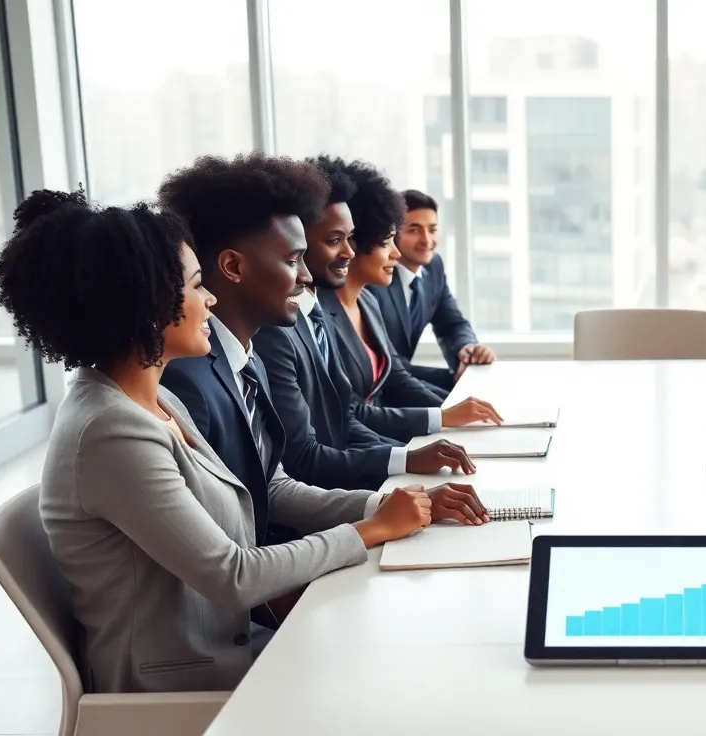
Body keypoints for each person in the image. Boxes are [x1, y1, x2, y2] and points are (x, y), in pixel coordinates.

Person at [0, 188, 435, 693]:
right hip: (182, 692)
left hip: (228, 651)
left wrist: (389, 505)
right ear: (147, 303)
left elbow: (268, 488)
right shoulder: (110, 431)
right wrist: (369, 530)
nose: (212, 299)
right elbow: (233, 576)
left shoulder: (154, 402)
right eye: (198, 286)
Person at [158, 154, 490, 554]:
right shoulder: (188, 382)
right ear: (233, 266)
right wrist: (374, 523)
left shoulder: (247, 360)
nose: (306, 275)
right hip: (268, 577)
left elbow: (275, 486)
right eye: (292, 260)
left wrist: (394, 499)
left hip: (291, 555)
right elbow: (229, 554)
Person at [251, 157, 485, 491]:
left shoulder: (318, 310)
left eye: (350, 238)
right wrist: (408, 457)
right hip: (328, 495)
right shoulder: (282, 329)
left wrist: (407, 455)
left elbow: (347, 418)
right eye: (335, 240)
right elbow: (306, 456)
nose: (348, 250)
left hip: (353, 472)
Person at [316, 158, 502, 440]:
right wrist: (443, 416)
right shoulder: (319, 315)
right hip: (368, 441)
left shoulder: (367, 301)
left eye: (433, 228)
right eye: (387, 241)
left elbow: (398, 374)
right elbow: (349, 414)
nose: (396, 253)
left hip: (384, 432)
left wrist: (456, 409)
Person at [367, 190, 494, 392]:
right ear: (393, 233)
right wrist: (455, 380)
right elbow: (386, 364)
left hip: (408, 387)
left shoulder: (433, 267)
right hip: (381, 392)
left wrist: (468, 351)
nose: (427, 240)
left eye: (432, 229)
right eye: (414, 230)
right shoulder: (374, 280)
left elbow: (451, 324)